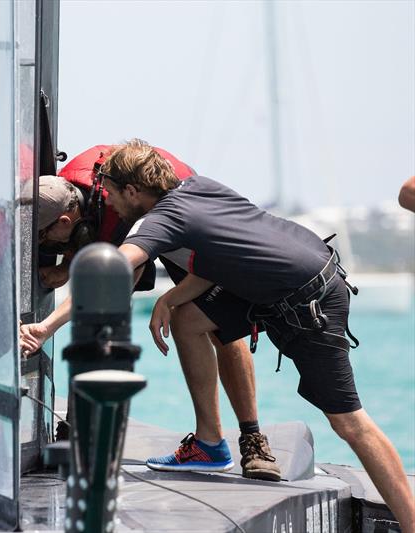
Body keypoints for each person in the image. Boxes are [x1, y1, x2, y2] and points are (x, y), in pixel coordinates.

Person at [102, 139, 413, 530]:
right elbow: (225, 259)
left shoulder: (164, 217)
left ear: (132, 190)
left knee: (349, 423)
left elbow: (115, 263)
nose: (110, 204)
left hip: (308, 300)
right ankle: (210, 444)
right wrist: (169, 298)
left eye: (112, 193)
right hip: (286, 278)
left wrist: (50, 324)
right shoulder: (201, 187)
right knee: (188, 320)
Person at [21, 145, 281, 481]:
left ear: (67, 220)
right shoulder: (59, 190)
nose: (44, 247)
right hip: (124, 220)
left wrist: (46, 327)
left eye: (45, 238)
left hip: (182, 225)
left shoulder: (123, 207)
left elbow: (108, 279)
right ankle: (83, 429)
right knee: (101, 313)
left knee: (220, 327)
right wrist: (68, 265)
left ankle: (253, 439)